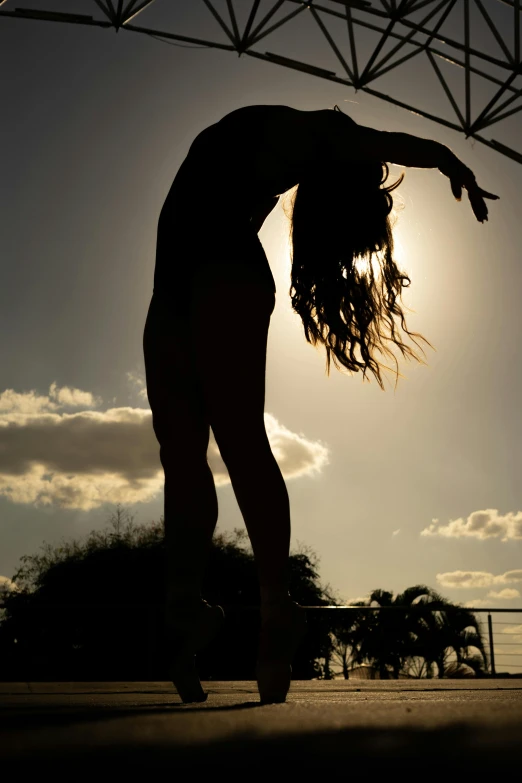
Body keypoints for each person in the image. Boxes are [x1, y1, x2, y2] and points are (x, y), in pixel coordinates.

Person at [142, 104, 498, 704]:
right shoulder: (303, 141)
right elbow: (387, 143)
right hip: (177, 286)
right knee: (181, 452)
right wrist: (443, 158)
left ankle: (274, 608)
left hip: (215, 276)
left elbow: (384, 140)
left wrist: (443, 157)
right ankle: (190, 606)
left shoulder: (318, 135)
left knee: (234, 441)